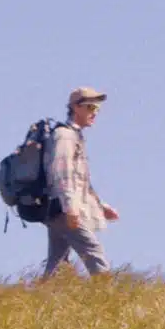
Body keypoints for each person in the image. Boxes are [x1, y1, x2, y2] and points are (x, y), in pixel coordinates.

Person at [43, 86, 119, 276]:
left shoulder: (74, 136)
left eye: (97, 109)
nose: (95, 113)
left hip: (60, 207)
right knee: (94, 253)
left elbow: (81, 181)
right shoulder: (65, 136)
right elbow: (62, 173)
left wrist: (101, 206)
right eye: (90, 107)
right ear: (76, 107)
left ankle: (42, 292)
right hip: (63, 208)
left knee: (57, 262)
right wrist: (70, 208)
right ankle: (106, 293)